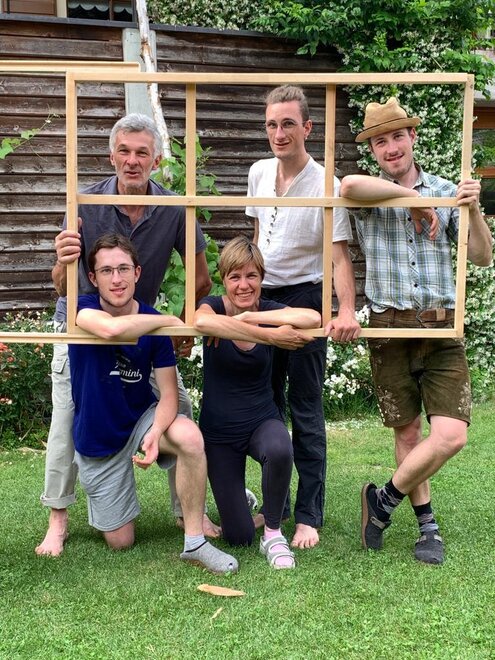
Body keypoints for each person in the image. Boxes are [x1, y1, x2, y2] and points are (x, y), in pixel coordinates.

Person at [36, 113, 219, 557]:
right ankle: (58, 519)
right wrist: (62, 261)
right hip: (83, 325)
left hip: (139, 325)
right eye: (124, 151)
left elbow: (201, 280)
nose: (132, 161)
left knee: (179, 406)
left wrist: (178, 326)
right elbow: (62, 287)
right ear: (111, 156)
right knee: (67, 417)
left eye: (142, 153)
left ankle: (189, 513)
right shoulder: (85, 202)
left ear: (155, 161)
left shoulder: (174, 208)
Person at [340, 97, 493, 564]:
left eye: (397, 136)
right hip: (389, 328)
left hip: (440, 326)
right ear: (373, 150)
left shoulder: (447, 190)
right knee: (407, 433)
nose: (391, 148)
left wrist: (471, 208)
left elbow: (482, 256)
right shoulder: (367, 195)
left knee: (451, 434)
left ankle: (383, 500)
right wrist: (414, 202)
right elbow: (348, 184)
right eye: (380, 142)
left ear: (413, 137)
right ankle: (427, 526)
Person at [66, 234, 237, 573]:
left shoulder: (152, 322)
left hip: (140, 419)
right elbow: (111, 330)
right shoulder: (82, 309)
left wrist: (156, 433)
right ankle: (110, 503)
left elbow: (169, 394)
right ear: (93, 278)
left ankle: (194, 542)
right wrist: (169, 321)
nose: (117, 279)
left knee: (189, 437)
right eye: (107, 271)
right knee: (121, 541)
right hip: (99, 437)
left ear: (137, 273)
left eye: (123, 269)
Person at [246, 85, 361, 549]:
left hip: (306, 298)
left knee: (306, 407)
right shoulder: (258, 172)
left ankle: (309, 514)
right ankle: (276, 508)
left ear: (308, 127)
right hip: (264, 298)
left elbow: (339, 257)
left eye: (288, 124)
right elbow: (257, 237)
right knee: (267, 407)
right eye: (272, 124)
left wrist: (346, 309)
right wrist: (247, 296)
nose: (279, 133)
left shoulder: (326, 183)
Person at [193, 236, 321, 569]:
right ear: (224, 280)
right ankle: (243, 499)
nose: (244, 285)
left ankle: (274, 534)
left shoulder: (267, 309)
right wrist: (270, 335)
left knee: (279, 447)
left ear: (262, 278)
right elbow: (201, 322)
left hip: (261, 421)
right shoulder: (213, 306)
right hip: (219, 435)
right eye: (235, 277)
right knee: (239, 536)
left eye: (251, 276)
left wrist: (249, 319)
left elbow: (311, 317)